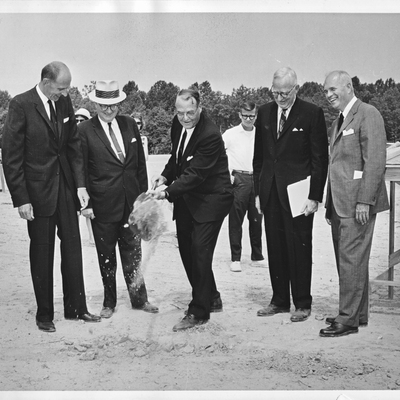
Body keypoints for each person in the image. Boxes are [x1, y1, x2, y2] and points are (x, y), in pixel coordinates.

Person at [2, 61, 101, 333]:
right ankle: (44, 313)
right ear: (46, 82)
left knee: (72, 248)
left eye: (67, 88)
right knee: (42, 253)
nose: (65, 93)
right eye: (61, 88)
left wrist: (80, 185)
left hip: (66, 190)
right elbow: (11, 156)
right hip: (37, 194)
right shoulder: (21, 104)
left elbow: (73, 146)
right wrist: (21, 198)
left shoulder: (64, 104)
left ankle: (76, 308)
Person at [149, 87, 233, 331]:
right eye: (180, 113)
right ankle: (212, 296)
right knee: (187, 249)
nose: (185, 118)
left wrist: (167, 192)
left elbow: (195, 174)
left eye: (190, 113)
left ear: (200, 108)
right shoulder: (178, 125)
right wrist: (165, 176)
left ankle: (199, 311)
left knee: (200, 250)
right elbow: (177, 158)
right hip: (188, 198)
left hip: (212, 199)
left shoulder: (210, 134)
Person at [253, 67, 329, 322]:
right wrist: (257, 192)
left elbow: (320, 159)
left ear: (296, 89)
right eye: (275, 92)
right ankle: (279, 301)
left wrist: (314, 196)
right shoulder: (263, 112)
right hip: (270, 191)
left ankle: (302, 303)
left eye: (285, 93)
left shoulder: (312, 113)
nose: (280, 98)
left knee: (299, 247)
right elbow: (259, 158)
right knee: (274, 246)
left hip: (299, 194)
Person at [79, 80, 158, 319]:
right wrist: (87, 205)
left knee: (133, 253)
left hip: (131, 203)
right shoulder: (84, 131)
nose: (109, 109)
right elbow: (80, 169)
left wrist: (142, 199)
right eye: (104, 105)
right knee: (106, 257)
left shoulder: (129, 124)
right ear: (96, 104)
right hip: (102, 206)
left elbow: (140, 165)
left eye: (113, 105)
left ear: (119, 103)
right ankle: (109, 302)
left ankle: (139, 299)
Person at [319, 71, 389, 337]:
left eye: (333, 89)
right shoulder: (339, 120)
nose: (329, 95)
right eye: (326, 91)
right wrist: (329, 204)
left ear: (349, 87)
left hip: (357, 204)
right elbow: (336, 165)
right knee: (350, 260)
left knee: (351, 260)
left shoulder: (367, 113)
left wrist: (364, 201)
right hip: (340, 204)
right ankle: (355, 314)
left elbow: (374, 161)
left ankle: (347, 320)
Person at [222, 101, 265, 272]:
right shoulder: (230, 134)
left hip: (256, 178)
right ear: (239, 115)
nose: (248, 119)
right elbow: (217, 153)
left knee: (257, 219)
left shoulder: (261, 134)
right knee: (236, 220)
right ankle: (236, 258)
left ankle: (257, 255)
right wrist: (228, 175)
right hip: (238, 179)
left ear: (256, 115)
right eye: (245, 115)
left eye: (252, 116)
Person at [75, 107, 95, 245]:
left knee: (90, 212)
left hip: (88, 180)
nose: (79, 123)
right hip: (73, 181)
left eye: (82, 120)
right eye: (76, 120)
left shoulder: (92, 137)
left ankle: (93, 238)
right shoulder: (69, 137)